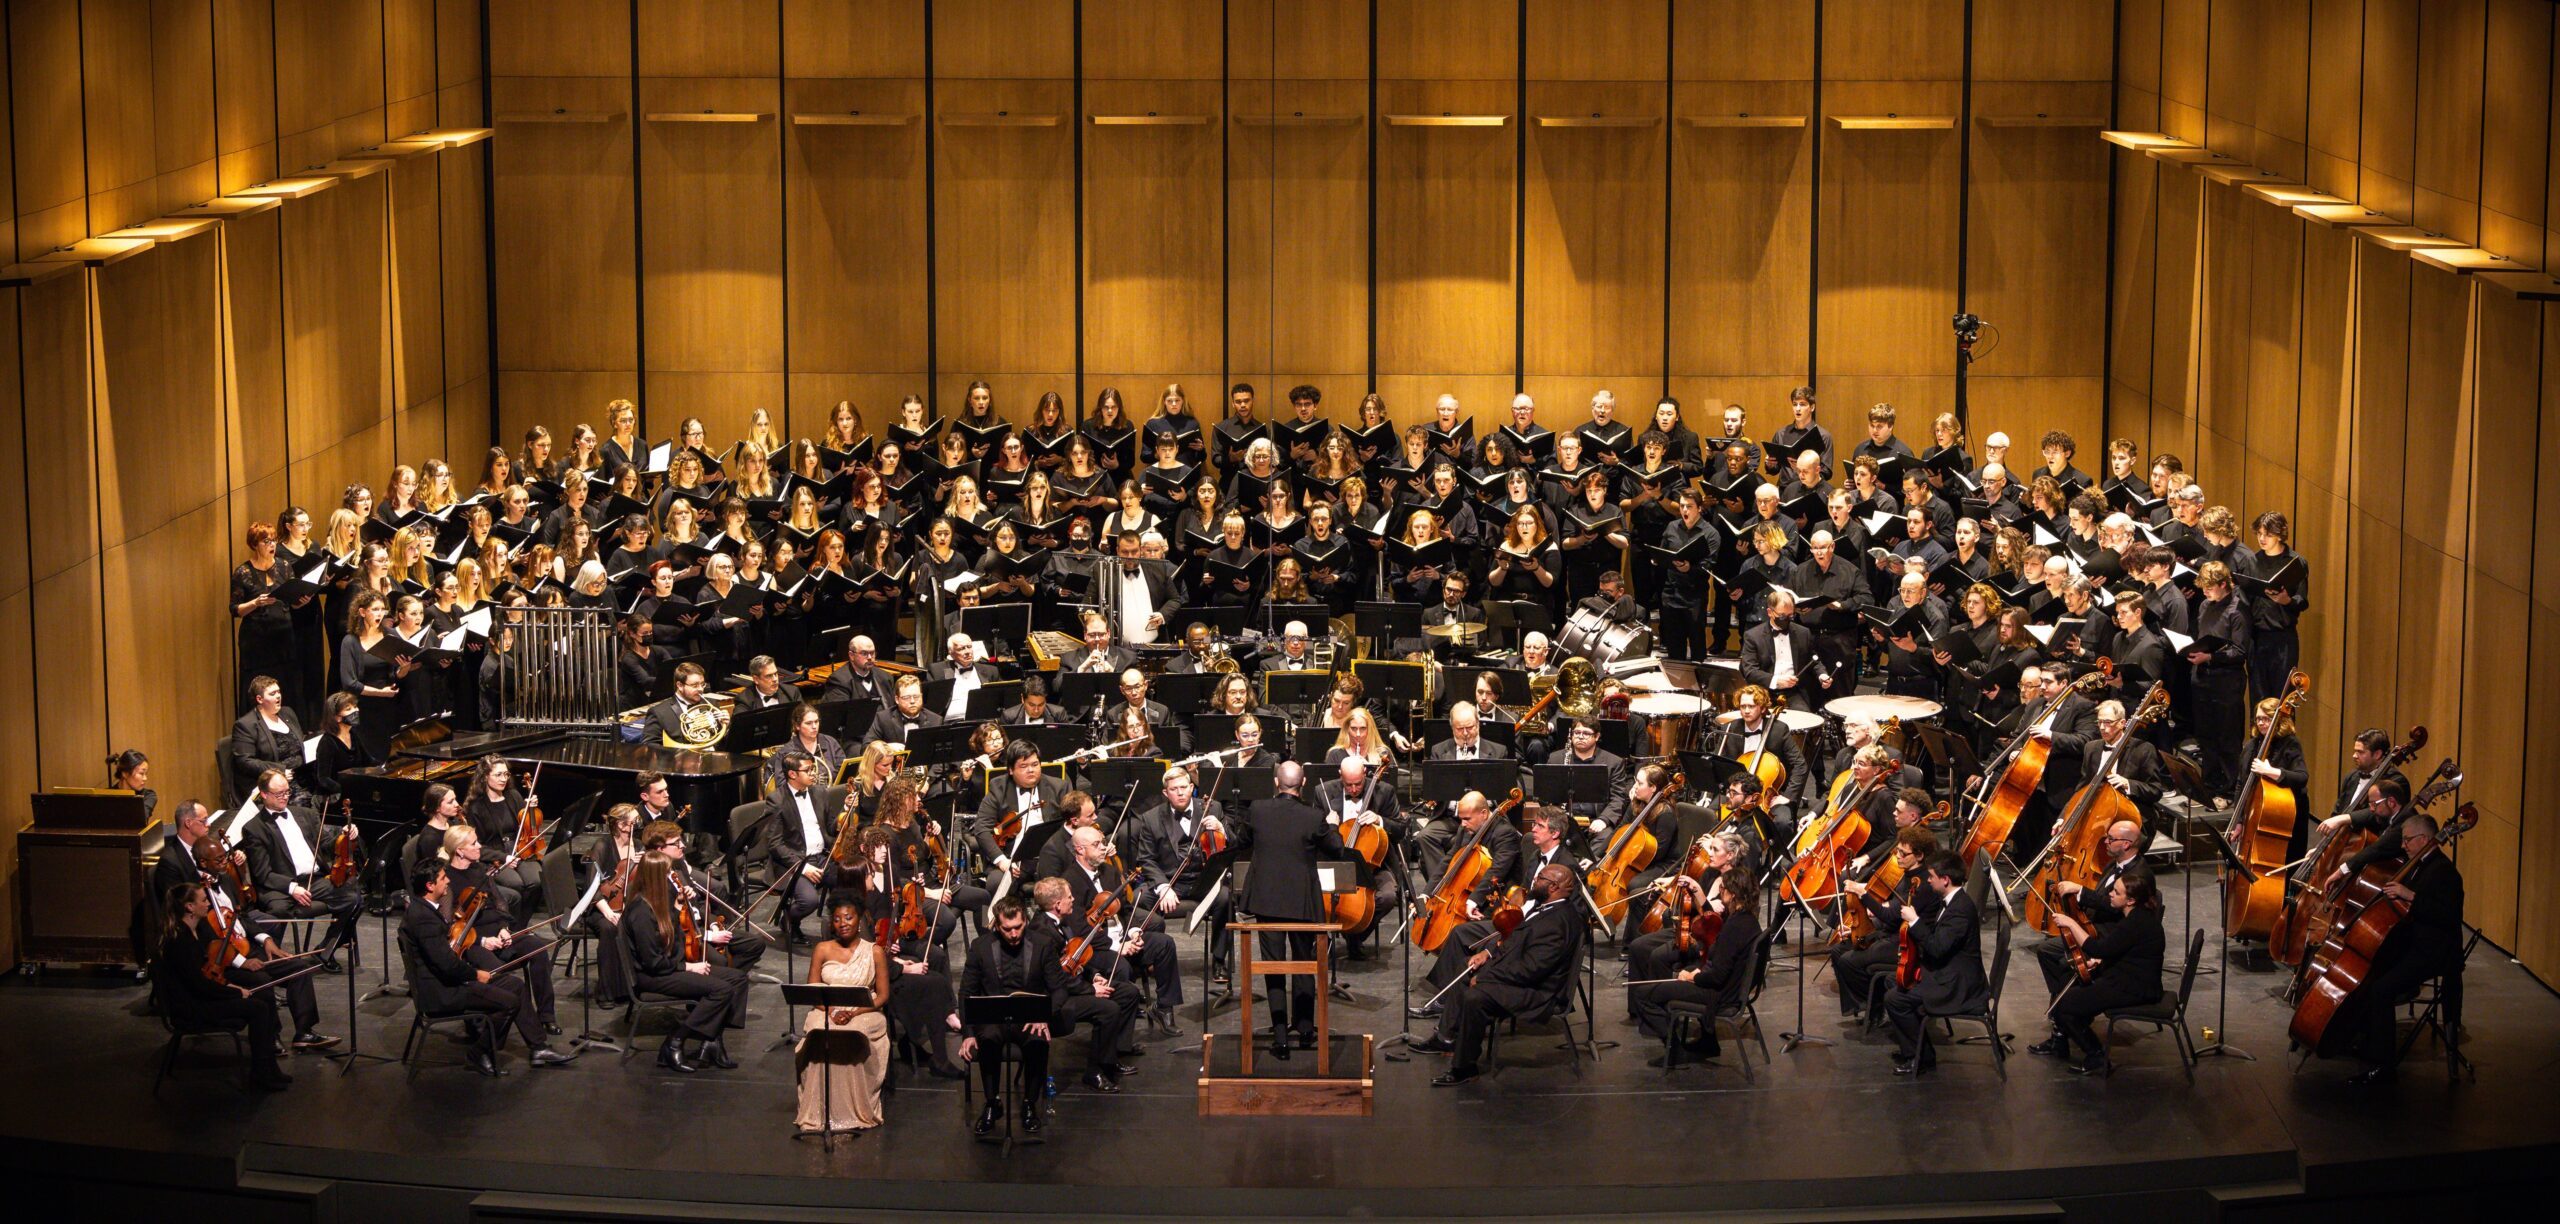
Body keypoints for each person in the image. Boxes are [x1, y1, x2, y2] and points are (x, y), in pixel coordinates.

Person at [2317, 811, 2465, 1086]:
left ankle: (2383, 1065)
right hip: (2414, 943)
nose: (2404, 845)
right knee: (2371, 976)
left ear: (2424, 839)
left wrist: (2411, 896)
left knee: (2381, 990)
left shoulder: (2444, 872)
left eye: (2408, 840)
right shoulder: (2418, 864)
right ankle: (2364, 1038)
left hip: (2433, 952)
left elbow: (2449, 916)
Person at [402, 863, 576, 1077]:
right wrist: (475, 974)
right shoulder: (423, 919)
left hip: (449, 980)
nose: (447, 880)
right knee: (508, 1002)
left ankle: (538, 1048)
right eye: (442, 878)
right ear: (430, 886)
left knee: (516, 986)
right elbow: (446, 964)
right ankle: (480, 1052)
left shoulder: (426, 911)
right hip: (442, 991)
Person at [1232, 761, 1355, 1058]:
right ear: (1303, 784)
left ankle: (1280, 1039)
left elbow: (1241, 842)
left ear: (1276, 782)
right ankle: (1305, 1031)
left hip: (1266, 900)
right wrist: (1334, 824)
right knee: (1304, 964)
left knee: (1273, 968)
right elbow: (1337, 849)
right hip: (1302, 900)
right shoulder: (1314, 817)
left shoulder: (1258, 810)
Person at [1419, 863, 1583, 1085]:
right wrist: (1487, 953)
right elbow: (1515, 938)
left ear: (1553, 886)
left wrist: (1487, 977)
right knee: (1467, 966)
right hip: (1523, 977)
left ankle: (1464, 1068)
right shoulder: (1545, 906)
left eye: (1540, 878)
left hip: (1539, 992)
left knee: (1475, 997)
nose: (1534, 880)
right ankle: (1446, 1037)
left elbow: (1532, 970)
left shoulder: (1558, 922)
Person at [621, 855, 751, 1073]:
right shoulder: (641, 912)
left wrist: (678, 907)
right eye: (666, 874)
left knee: (738, 979)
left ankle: (711, 1041)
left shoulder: (659, 904)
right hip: (653, 976)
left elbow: (677, 939)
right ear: (655, 878)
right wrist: (687, 967)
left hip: (667, 967)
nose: (672, 878)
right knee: (721, 990)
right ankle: (675, 1041)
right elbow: (653, 962)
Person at [158, 882, 295, 1090]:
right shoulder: (180, 940)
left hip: (201, 996)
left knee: (264, 995)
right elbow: (198, 985)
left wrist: (230, 985)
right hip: (191, 1007)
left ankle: (269, 1067)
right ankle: (260, 1074)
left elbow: (207, 979)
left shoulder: (196, 932)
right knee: (257, 1008)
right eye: (203, 901)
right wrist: (234, 991)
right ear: (189, 907)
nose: (208, 904)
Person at [2036, 862, 2165, 1077]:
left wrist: (2070, 923)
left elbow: (2097, 947)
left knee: (2065, 1006)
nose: (2110, 895)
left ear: (2131, 900)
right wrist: (2099, 963)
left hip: (2134, 987)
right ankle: (2064, 1040)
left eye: (2116, 892)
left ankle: (2096, 1054)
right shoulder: (2136, 917)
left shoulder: (2135, 923)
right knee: (2071, 990)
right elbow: (2123, 952)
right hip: (2127, 978)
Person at [1627, 872, 1764, 1064]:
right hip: (1729, 989)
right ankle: (1708, 1043)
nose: (1720, 891)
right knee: (1687, 969)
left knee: (1643, 994)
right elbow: (1721, 966)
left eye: (1722, 888)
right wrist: (1699, 971)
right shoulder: (1748, 920)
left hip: (1720, 996)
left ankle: (1674, 1051)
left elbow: (1716, 977)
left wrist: (1692, 977)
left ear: (1733, 894)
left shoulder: (1735, 926)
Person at [1026, 875, 1143, 1093]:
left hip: (1074, 985)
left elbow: (1073, 957)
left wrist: (1094, 975)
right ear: (1057, 904)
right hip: (1057, 998)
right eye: (1070, 897)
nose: (1073, 900)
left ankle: (1111, 1055)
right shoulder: (1041, 932)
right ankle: (1094, 1071)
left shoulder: (1064, 924)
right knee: (1108, 1009)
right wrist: (1091, 989)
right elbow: (1056, 977)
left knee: (1127, 992)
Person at [231, 769, 362, 962]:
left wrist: (344, 834)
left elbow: (325, 843)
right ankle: (271, 962)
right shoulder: (254, 828)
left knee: (354, 899)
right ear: (264, 794)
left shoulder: (306, 814)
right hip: (281, 888)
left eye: (287, 792)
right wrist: (292, 888)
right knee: (276, 913)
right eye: (279, 794)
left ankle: (325, 951)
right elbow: (262, 873)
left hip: (315, 881)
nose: (285, 797)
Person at [960, 897, 1059, 1137]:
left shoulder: (1043, 944)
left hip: (1029, 1016)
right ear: (996, 926)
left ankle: (1029, 1104)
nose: (1014, 934)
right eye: (1007, 929)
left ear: (1025, 920)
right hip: (994, 1017)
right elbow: (966, 992)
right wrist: (968, 1034)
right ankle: (993, 1103)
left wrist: (1043, 1016)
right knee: (989, 1041)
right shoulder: (981, 946)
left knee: (1037, 1042)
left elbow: (1059, 989)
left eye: (1018, 927)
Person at [1881, 852, 1987, 1076]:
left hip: (1958, 986)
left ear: (1945, 879)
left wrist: (1915, 921)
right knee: (1894, 980)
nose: (1928, 880)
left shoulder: (1960, 910)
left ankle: (1920, 1058)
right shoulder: (1951, 901)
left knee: (1896, 999)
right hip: (1948, 972)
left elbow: (1937, 948)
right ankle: (1918, 1049)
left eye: (1931, 876)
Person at [795, 899, 891, 1134]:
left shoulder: (874, 951)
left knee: (852, 1033)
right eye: (837, 919)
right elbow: (813, 990)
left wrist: (855, 1012)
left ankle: (854, 1108)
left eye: (848, 918)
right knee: (820, 1032)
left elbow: (882, 996)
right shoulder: (822, 949)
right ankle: (820, 1112)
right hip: (825, 1009)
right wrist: (831, 1011)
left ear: (859, 920)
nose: (843, 923)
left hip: (863, 1011)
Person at [1831, 824, 1939, 1018]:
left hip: (1908, 945)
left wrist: (1863, 894)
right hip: (1892, 933)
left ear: (1919, 855)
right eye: (1897, 850)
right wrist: (1863, 927)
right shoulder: (1909, 875)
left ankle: (1874, 1005)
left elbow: (1890, 915)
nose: (1897, 856)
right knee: (1839, 949)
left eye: (1903, 853)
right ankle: (1865, 1004)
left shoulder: (1923, 884)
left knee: (1849, 961)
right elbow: (1894, 908)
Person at [228, 675, 307, 803]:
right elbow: (245, 762)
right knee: (304, 803)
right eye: (272, 693)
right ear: (259, 699)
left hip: (301, 776)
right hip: (274, 785)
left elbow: (299, 743)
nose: (278, 696)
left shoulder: (288, 713)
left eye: (279, 691)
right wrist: (279, 772)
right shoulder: (246, 725)